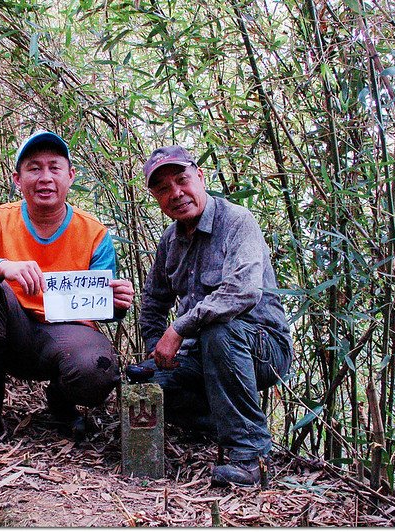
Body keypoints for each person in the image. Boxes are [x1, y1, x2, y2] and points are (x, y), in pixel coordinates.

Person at [0, 131, 135, 451]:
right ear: (18, 179)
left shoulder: (94, 233)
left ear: (70, 176)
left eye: (54, 168)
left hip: (65, 337)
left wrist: (118, 304)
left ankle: (61, 400)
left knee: (97, 369)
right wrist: (2, 267)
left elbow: (102, 306)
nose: (45, 177)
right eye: (34, 168)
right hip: (9, 332)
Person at [136, 145, 293, 487]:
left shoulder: (237, 221)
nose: (176, 194)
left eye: (182, 180)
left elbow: (243, 292)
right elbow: (152, 300)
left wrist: (178, 328)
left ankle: (250, 457)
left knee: (218, 331)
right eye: (163, 189)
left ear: (200, 177)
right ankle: (215, 425)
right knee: (147, 385)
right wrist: (155, 347)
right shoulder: (170, 240)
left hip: (260, 348)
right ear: (155, 198)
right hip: (200, 354)